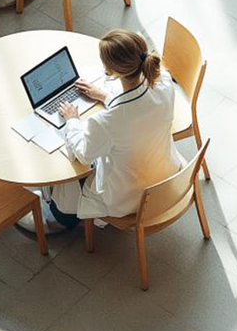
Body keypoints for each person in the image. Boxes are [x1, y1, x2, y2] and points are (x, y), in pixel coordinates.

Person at [48, 29, 182, 228]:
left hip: (129, 199)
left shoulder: (105, 122)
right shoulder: (164, 84)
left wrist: (72, 121)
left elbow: (85, 155)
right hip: (167, 176)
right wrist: (104, 96)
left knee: (62, 205)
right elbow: (137, 110)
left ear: (110, 72)